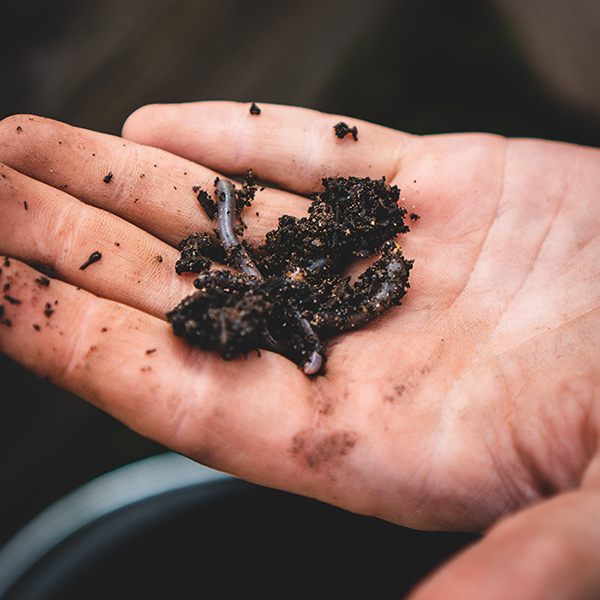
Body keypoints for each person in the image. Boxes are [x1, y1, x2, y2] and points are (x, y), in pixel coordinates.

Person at [1, 101, 600, 599]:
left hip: (290, 297)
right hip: (278, 293)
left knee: (249, 267)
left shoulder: (301, 293)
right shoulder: (268, 285)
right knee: (245, 264)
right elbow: (252, 273)